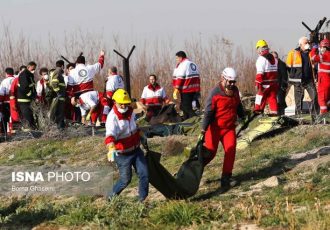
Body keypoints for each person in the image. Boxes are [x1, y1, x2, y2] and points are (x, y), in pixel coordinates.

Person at [201, 67, 245, 188]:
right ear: (223, 78)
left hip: (229, 128)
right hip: (214, 128)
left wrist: (243, 116)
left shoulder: (235, 91)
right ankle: (194, 171)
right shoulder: (215, 93)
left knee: (231, 150)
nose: (232, 84)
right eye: (229, 81)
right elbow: (208, 112)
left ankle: (226, 178)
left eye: (233, 82)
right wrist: (203, 129)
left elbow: (238, 105)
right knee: (210, 153)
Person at [105, 89, 148, 202]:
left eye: (126, 103)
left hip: (136, 150)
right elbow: (110, 135)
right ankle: (110, 197)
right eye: (121, 103)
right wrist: (111, 147)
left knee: (144, 174)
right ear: (115, 102)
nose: (123, 105)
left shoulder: (130, 112)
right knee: (125, 180)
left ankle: (141, 200)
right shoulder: (112, 118)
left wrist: (141, 135)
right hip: (123, 154)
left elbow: (134, 127)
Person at [286, 36, 319, 120]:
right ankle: (298, 117)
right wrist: (293, 76)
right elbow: (288, 67)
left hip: (309, 80)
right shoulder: (292, 53)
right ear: (300, 44)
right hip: (298, 81)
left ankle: (315, 116)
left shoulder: (311, 53)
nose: (308, 44)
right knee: (298, 100)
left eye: (308, 42)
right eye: (306, 43)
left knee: (315, 96)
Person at [172, 51, 200, 120]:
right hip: (194, 89)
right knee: (186, 107)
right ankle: (186, 119)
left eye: (177, 58)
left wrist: (176, 88)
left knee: (185, 107)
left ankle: (196, 120)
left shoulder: (183, 65)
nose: (176, 60)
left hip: (186, 89)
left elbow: (180, 77)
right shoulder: (193, 64)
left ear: (181, 58)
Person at [254, 40, 279, 115]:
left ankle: (257, 113)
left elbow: (259, 74)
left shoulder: (261, 59)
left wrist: (258, 84)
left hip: (264, 84)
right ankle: (274, 113)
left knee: (259, 98)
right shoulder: (274, 59)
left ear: (259, 49)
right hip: (274, 83)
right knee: (272, 98)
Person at [311, 38, 330, 115]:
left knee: (321, 100)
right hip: (328, 80)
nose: (321, 49)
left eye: (321, 47)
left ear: (325, 47)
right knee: (327, 100)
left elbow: (313, 58)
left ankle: (324, 118)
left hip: (324, 81)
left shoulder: (324, 56)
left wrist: (314, 48)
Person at [17, 61, 37, 130]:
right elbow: (25, 88)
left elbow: (32, 86)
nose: (34, 70)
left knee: (31, 116)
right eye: (32, 69)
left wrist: (34, 95)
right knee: (27, 116)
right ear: (28, 67)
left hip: (28, 99)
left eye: (34, 69)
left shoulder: (30, 75)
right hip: (24, 99)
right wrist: (31, 95)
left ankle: (33, 129)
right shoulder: (24, 74)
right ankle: (28, 132)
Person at [47, 60, 66, 129]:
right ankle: (60, 128)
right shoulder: (58, 72)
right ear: (62, 66)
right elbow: (54, 83)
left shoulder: (57, 72)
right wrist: (58, 93)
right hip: (59, 96)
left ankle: (61, 127)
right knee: (59, 113)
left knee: (60, 113)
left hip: (60, 96)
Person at [0, 67, 15, 134]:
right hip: (16, 102)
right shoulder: (16, 80)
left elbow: (1, 94)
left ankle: (4, 133)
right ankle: (16, 132)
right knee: (15, 118)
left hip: (7, 103)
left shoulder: (4, 81)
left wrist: (0, 102)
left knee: (5, 118)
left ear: (6, 73)